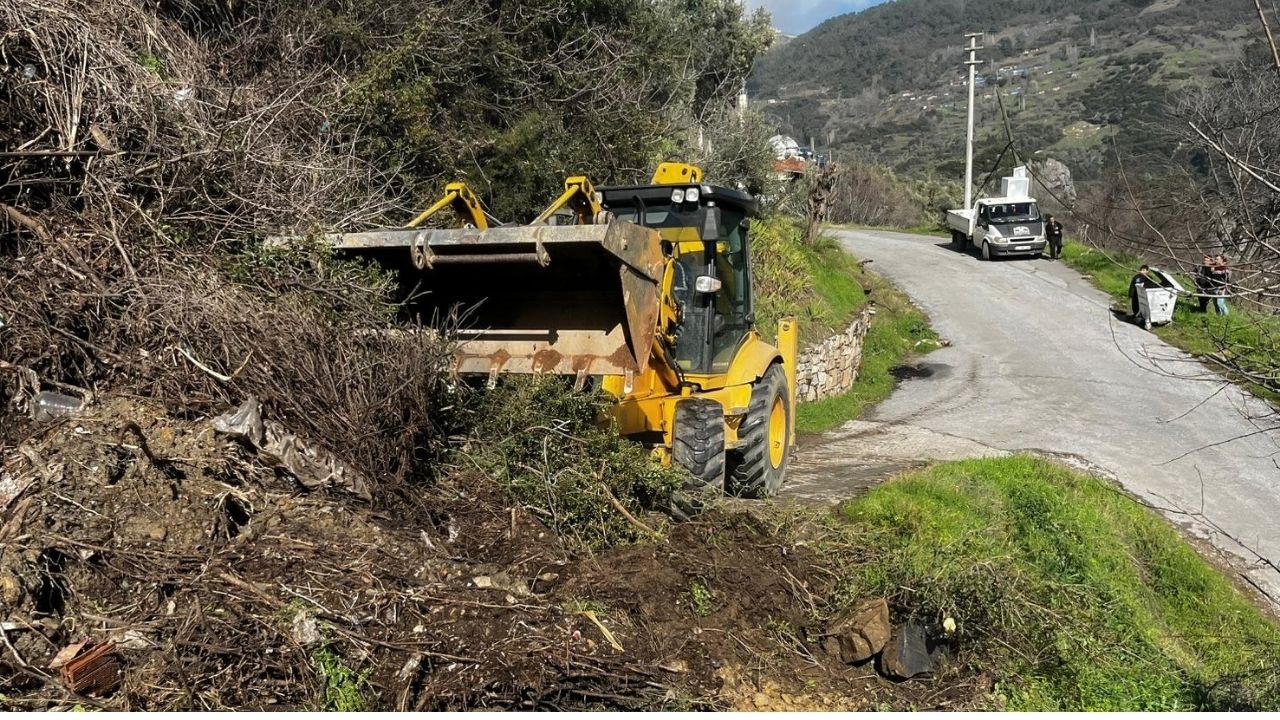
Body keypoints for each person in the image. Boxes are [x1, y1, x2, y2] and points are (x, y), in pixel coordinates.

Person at [1129, 264, 1159, 329]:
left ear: (1147, 271)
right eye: (1142, 270)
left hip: (1144, 295)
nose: (1142, 271)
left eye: (1144, 270)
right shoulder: (1136, 277)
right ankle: (1136, 315)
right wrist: (1131, 294)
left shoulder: (1149, 278)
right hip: (1136, 294)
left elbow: (1150, 285)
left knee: (1143, 306)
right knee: (1135, 305)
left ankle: (1143, 318)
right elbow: (1132, 286)